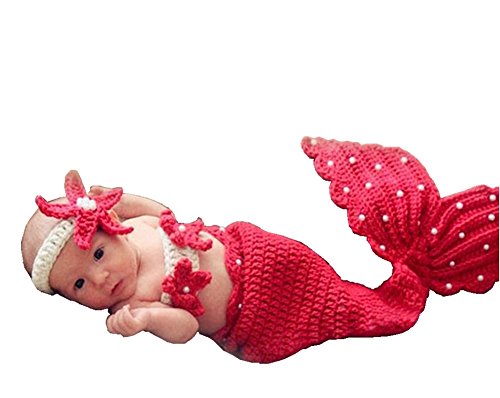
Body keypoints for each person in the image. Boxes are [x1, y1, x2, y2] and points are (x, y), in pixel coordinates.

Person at [21, 137, 499, 363]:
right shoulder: (135, 303)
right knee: (338, 310)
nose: (101, 279)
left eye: (97, 256)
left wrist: (125, 198)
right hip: (257, 317)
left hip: (261, 255)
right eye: (79, 285)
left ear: (111, 227)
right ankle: (379, 300)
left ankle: (397, 253)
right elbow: (185, 328)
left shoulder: (138, 227)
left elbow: (165, 212)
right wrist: (147, 321)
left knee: (322, 277)